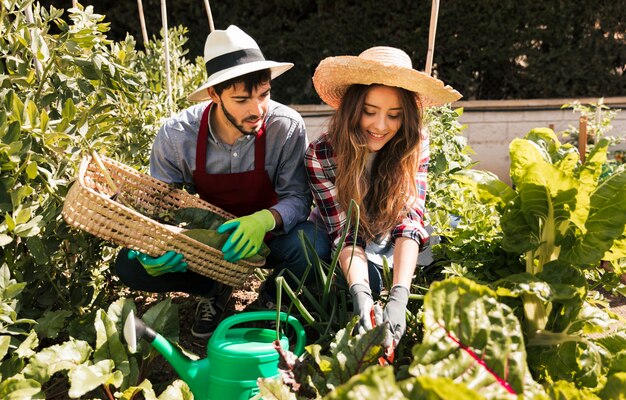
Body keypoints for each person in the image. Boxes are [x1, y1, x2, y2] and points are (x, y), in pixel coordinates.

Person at [115, 25, 327, 338]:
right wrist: (154, 247)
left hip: (268, 236)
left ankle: (269, 298)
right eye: (241, 99)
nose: (257, 110)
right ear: (215, 95)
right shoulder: (177, 136)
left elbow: (297, 196)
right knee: (129, 266)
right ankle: (212, 287)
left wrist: (263, 221)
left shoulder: (285, 126)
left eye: (264, 95)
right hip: (212, 243)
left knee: (313, 244)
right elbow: (160, 206)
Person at [305, 46, 461, 349]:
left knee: (451, 231)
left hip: (390, 233)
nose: (380, 126)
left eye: (394, 116)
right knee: (366, 282)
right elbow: (346, 233)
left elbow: (409, 220)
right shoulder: (321, 154)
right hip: (346, 244)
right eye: (369, 111)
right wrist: (361, 293)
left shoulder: (416, 144)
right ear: (353, 108)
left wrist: (400, 294)